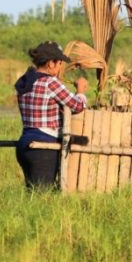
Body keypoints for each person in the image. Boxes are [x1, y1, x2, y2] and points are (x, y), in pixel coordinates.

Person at [14, 41, 88, 188]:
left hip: (24, 143)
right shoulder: (50, 82)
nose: (60, 67)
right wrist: (81, 91)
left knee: (33, 193)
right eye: (59, 63)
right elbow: (77, 106)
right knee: (43, 196)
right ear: (50, 64)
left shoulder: (25, 80)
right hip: (43, 147)